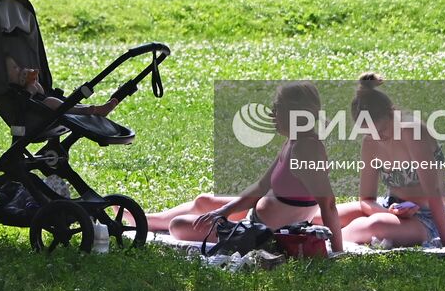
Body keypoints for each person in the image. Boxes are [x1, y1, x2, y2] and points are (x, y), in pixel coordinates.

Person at [147, 81, 344, 252]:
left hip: (262, 235)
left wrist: (337, 252)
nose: (271, 113)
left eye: (276, 107)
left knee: (178, 226)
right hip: (255, 219)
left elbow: (328, 204)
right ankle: (147, 221)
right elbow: (261, 186)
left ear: (294, 113)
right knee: (204, 201)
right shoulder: (294, 142)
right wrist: (224, 210)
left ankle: (150, 222)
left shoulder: (306, 149)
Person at [338, 73, 445, 247]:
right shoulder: (370, 142)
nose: (378, 137)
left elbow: (434, 193)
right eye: (369, 132)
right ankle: (318, 233)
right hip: (390, 207)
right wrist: (389, 212)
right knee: (320, 216)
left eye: (382, 129)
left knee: (375, 224)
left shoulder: (412, 132)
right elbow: (366, 200)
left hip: (426, 217)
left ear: (392, 112)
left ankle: (327, 239)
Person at [5, 56, 119, 117]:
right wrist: (31, 89)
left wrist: (34, 81)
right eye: (14, 68)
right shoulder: (17, 91)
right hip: (38, 113)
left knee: (65, 101)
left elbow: (41, 91)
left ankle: (97, 109)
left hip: (47, 106)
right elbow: (27, 99)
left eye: (17, 66)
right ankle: (83, 111)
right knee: (51, 101)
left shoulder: (25, 83)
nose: (19, 68)